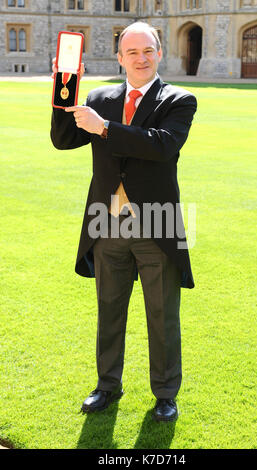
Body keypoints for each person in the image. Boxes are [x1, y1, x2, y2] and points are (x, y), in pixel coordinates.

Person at [50, 22, 197, 422]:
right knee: (109, 310)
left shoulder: (179, 100)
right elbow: (64, 139)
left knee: (161, 315)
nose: (140, 58)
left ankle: (165, 394)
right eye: (131, 52)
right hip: (107, 225)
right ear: (119, 58)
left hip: (157, 225)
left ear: (159, 53)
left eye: (148, 50)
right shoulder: (100, 98)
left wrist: (106, 129)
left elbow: (162, 145)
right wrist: (64, 92)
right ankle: (106, 386)